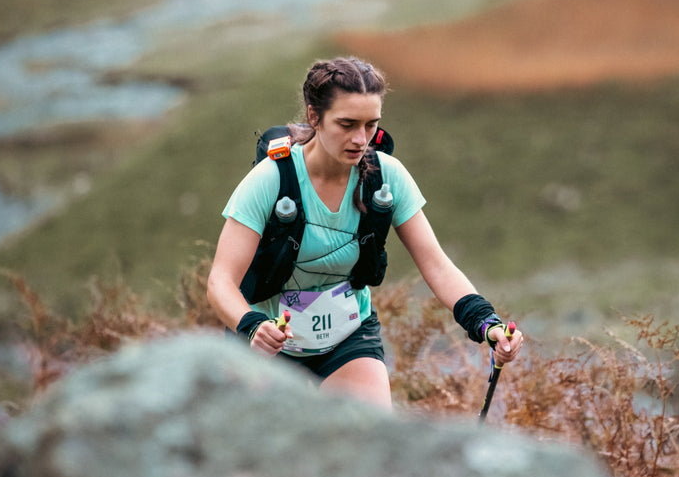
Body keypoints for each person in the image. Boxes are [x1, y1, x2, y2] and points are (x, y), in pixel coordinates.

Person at [207, 57, 523, 411]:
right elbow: (221, 280)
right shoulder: (271, 179)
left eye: (371, 125)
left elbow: (436, 265)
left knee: (367, 450)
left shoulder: (387, 177)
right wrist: (252, 326)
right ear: (314, 117)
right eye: (347, 124)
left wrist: (486, 322)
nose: (361, 139)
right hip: (263, 344)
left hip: (347, 338)